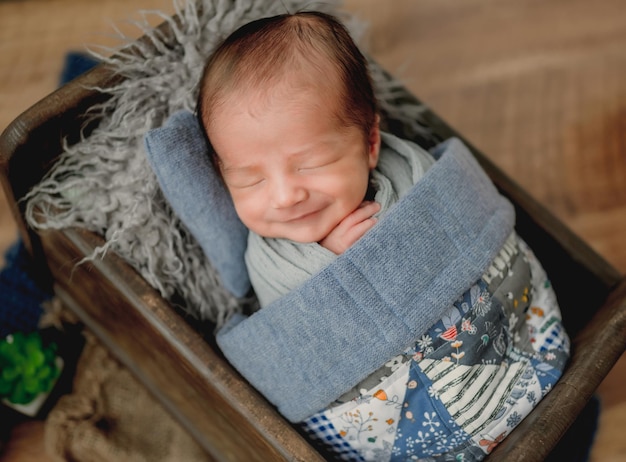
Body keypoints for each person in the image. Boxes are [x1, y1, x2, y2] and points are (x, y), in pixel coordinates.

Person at [197, 11, 570, 462]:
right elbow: (300, 323)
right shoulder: (270, 255)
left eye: (310, 163)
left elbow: (450, 227)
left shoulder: (409, 170)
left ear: (371, 142)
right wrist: (332, 261)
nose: (284, 196)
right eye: (249, 180)